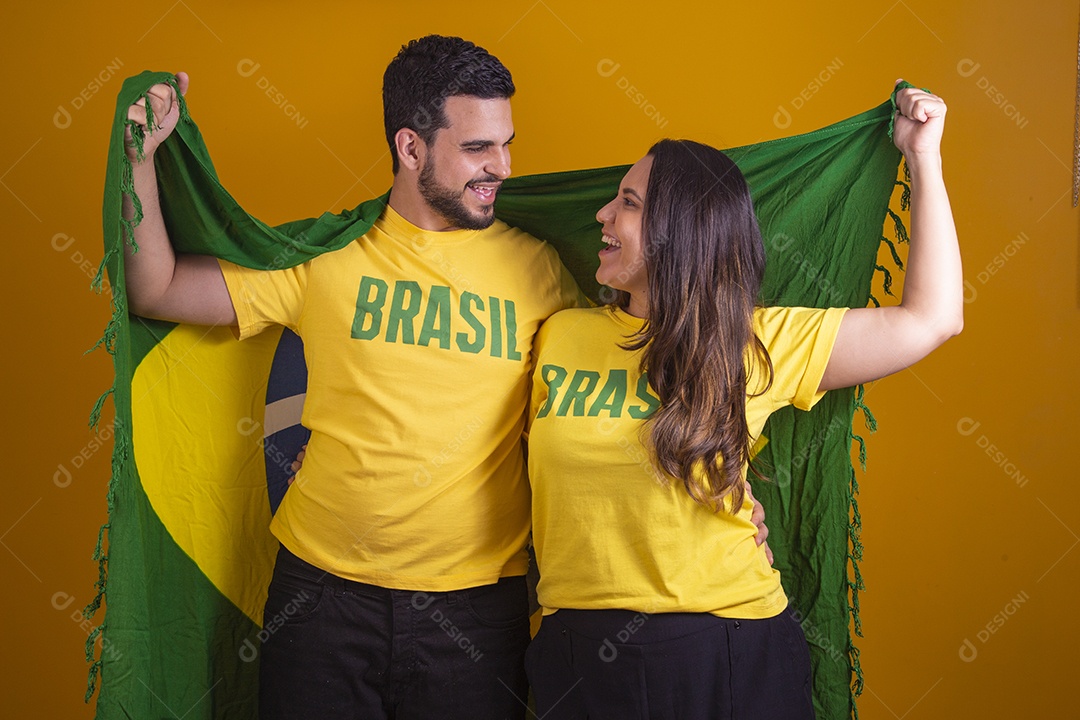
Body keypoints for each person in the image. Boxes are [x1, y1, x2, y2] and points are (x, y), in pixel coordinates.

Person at [119, 35, 772, 719]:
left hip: (477, 614)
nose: (503, 168)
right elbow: (157, 287)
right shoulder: (325, 258)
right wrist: (141, 159)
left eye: (507, 144)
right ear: (411, 148)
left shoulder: (542, 270)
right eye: (477, 149)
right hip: (319, 600)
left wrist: (725, 495)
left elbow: (634, 381)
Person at [523, 86, 958, 719]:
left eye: (629, 203)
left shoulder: (753, 341)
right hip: (578, 649)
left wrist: (924, 156)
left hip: (725, 645)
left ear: (680, 232)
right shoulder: (560, 333)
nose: (602, 216)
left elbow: (932, 318)